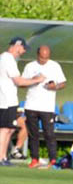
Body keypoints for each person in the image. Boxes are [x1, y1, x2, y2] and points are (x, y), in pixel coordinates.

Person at [0, 37, 44, 166]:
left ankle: (3, 157)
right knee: (4, 129)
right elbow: (18, 81)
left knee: (10, 129)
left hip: (9, 100)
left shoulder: (5, 58)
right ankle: (1, 158)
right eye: (23, 48)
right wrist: (37, 80)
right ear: (17, 45)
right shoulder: (8, 59)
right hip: (6, 101)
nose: (24, 51)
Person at [22, 45, 67, 168]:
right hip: (31, 105)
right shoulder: (30, 66)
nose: (44, 60)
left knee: (49, 134)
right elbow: (22, 84)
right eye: (42, 58)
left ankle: (53, 160)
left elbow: (63, 83)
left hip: (47, 107)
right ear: (38, 55)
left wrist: (55, 86)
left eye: (46, 58)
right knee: (33, 134)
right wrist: (33, 80)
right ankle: (34, 159)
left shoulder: (55, 66)